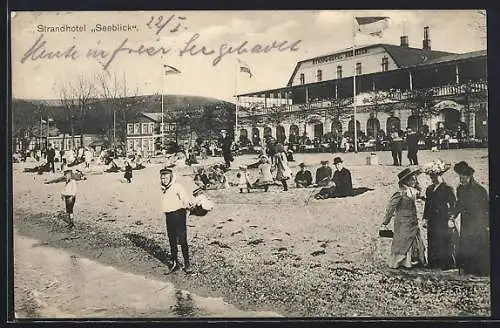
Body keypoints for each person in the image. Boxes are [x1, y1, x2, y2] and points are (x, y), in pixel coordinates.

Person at [381, 167, 426, 269]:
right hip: (402, 221)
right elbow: (390, 207)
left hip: (412, 220)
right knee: (403, 241)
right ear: (406, 180)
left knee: (414, 239)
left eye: (415, 178)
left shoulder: (412, 191)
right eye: (413, 179)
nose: (414, 180)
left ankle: (414, 259)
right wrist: (385, 221)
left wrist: (417, 181)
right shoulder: (399, 192)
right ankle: (402, 262)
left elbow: (420, 192)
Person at [452, 161, 489, 276]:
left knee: (477, 243)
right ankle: (468, 268)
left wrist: (487, 224)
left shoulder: (480, 190)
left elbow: (486, 208)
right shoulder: (460, 189)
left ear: (470, 176)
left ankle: (480, 269)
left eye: (464, 178)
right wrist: (454, 215)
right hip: (466, 221)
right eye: (460, 178)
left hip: (478, 221)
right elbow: (459, 204)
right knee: (466, 242)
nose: (461, 180)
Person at [422, 160, 457, 270]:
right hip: (432, 217)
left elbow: (453, 204)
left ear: (440, 175)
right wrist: (425, 218)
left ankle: (446, 262)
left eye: (435, 176)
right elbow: (427, 205)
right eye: (431, 177)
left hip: (443, 217)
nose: (433, 178)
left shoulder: (447, 188)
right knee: (432, 238)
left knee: (444, 239)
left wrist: (451, 218)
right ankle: (433, 261)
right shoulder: (429, 189)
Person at [160, 168, 194, 274]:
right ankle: (175, 263)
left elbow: (185, 199)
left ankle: (187, 264)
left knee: (182, 240)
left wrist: (189, 206)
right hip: (169, 215)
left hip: (178, 215)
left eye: (165, 178)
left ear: (170, 177)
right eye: (162, 178)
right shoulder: (165, 188)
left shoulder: (177, 186)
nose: (163, 180)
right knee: (172, 240)